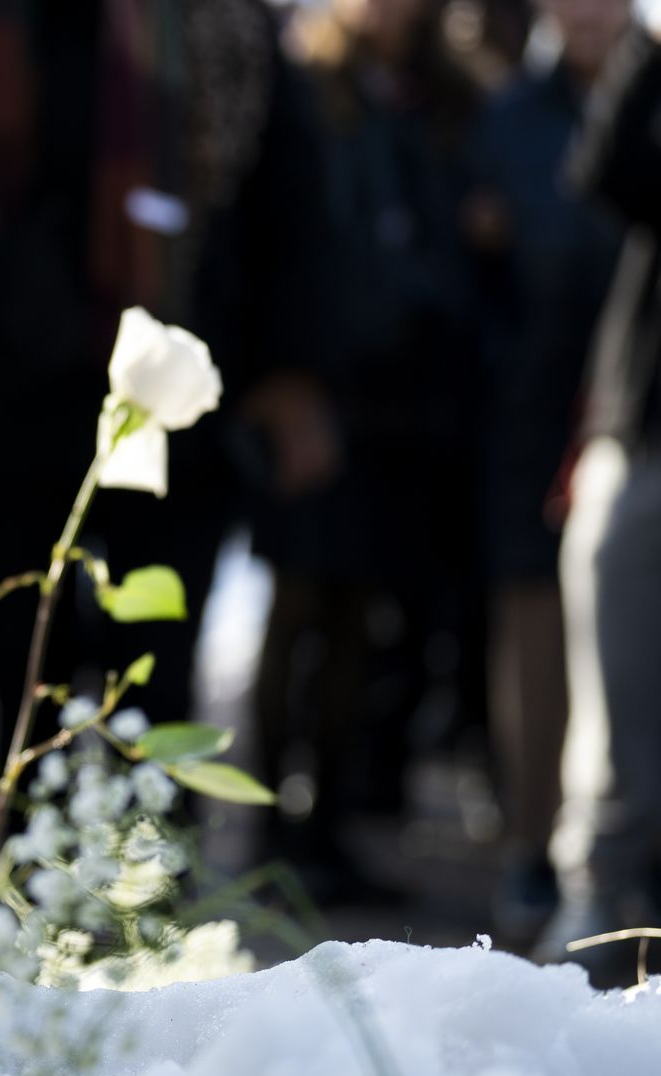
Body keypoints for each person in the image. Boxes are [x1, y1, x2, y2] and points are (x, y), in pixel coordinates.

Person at [0, 0, 337, 836]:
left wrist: (292, 373)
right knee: (27, 673)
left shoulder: (231, 24)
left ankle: (151, 882)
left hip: (179, 409)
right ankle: (25, 880)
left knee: (158, 676)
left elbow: (291, 206)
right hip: (12, 404)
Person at [254, 0, 486, 899]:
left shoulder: (446, 97)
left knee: (360, 614)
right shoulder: (309, 83)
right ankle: (269, 826)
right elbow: (292, 234)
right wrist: (284, 377)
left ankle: (327, 827)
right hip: (317, 383)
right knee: (298, 605)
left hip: (406, 400)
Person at [466, 0, 629, 942]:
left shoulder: (645, 98)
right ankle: (533, 848)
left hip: (632, 404)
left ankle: (617, 860)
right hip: (529, 408)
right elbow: (475, 268)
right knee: (533, 640)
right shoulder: (507, 118)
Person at [537, 11, 661, 970]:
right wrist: (651, 42)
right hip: (645, 427)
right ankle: (598, 889)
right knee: (614, 668)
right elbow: (605, 171)